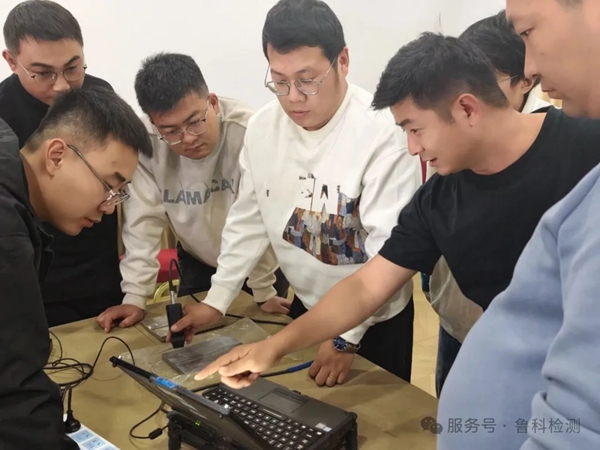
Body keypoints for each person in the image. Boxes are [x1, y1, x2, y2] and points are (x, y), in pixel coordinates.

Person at [193, 31, 600, 405]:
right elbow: (366, 286)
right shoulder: (438, 201)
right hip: (521, 373)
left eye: (415, 129)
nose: (411, 148)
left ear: (466, 108)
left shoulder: (585, 148)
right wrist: (275, 347)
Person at [170, 0, 422, 386]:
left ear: (343, 61)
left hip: (373, 321)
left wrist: (346, 337)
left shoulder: (383, 135)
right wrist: (217, 300)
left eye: (307, 80)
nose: (293, 96)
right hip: (306, 308)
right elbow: (249, 219)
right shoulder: (263, 129)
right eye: (280, 81)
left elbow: (388, 256)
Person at [436, 0, 600, 448]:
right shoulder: (446, 184)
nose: (531, 67)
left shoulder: (576, 143)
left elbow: (581, 426)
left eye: (528, 32)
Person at [0, 86, 152, 450]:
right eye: (109, 185)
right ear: (56, 156)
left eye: (120, 193)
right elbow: (14, 396)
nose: (110, 207)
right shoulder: (5, 232)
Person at [96, 53, 289, 331]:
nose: (187, 138)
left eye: (195, 122)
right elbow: (142, 222)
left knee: (263, 337)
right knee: (196, 339)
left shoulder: (249, 131)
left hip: (260, 265)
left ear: (213, 102)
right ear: (153, 123)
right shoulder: (145, 143)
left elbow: (256, 220)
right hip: (198, 259)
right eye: (170, 131)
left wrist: (263, 290)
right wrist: (135, 297)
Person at [427, 9, 551, 398]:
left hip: (524, 340)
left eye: (484, 82)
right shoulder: (455, 131)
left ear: (525, 79)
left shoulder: (558, 144)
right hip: (457, 320)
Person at [0, 0, 123, 327]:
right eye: (43, 73)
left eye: (72, 67)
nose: (62, 85)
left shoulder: (100, 96)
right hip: (33, 281)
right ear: (11, 61)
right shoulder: (3, 115)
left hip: (100, 271)